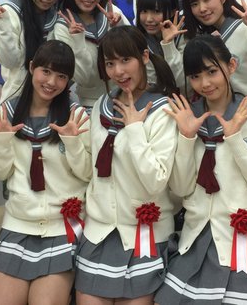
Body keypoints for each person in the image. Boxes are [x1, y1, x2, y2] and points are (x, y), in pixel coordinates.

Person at [155, 35, 247, 304]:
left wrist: (236, 140)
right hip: (195, 238)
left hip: (243, 246)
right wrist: (187, 138)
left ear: (231, 66)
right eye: (195, 76)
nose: (205, 83)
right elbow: (180, 189)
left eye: (212, 72)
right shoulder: (188, 117)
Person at [74, 25, 179, 304]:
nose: (118, 71)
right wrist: (72, 143)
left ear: (144, 57)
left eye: (125, 60)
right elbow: (90, 172)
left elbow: (156, 181)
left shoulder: (163, 110)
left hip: (144, 235)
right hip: (99, 232)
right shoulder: (101, 105)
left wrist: (134, 130)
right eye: (110, 63)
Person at [0, 40, 90, 305]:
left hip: (62, 227)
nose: (51, 82)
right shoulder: (6, 113)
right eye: (46, 71)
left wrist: (73, 143)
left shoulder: (75, 116)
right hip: (18, 224)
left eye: (61, 76)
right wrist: (2, 141)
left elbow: (88, 174)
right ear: (32, 68)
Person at [51, 0, 128, 108]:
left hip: (124, 94)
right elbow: (83, 78)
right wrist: (78, 39)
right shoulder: (63, 27)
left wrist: (118, 26)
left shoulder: (111, 12)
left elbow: (133, 54)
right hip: (89, 102)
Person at [135, 0, 186, 92]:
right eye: (144, 11)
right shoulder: (140, 39)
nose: (149, 19)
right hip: (154, 99)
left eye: (157, 11)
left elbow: (180, 82)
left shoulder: (185, 35)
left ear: (172, 12)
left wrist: (168, 44)